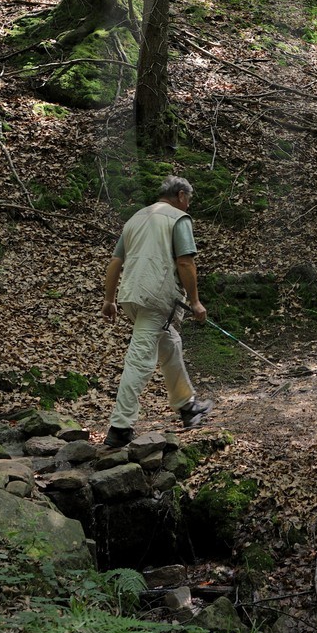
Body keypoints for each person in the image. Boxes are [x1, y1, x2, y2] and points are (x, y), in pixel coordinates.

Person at [101, 175, 215, 449]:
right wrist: (196, 302)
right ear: (180, 195)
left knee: (170, 343)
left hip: (132, 296)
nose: (189, 206)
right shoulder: (177, 218)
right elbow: (185, 262)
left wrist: (109, 299)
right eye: (188, 199)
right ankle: (120, 427)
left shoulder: (136, 218)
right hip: (155, 296)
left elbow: (115, 261)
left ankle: (187, 406)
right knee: (140, 358)